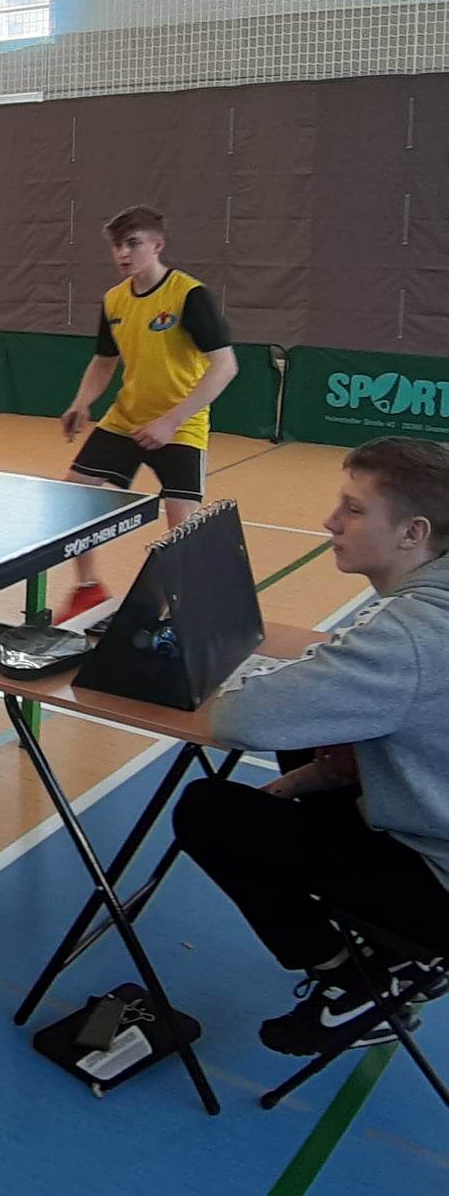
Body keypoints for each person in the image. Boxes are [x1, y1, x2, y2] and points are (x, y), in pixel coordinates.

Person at [171, 438, 449, 1057]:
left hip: (440, 886)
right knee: (314, 732)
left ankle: (354, 979)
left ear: (414, 533)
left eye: (353, 509)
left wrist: (248, 676)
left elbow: (240, 719)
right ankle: (398, 953)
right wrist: (309, 779)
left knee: (208, 811)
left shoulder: (410, 635)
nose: (330, 522)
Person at [56, 205, 239, 621]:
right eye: (117, 246)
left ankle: (175, 610)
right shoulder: (114, 300)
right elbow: (105, 361)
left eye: (133, 243)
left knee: (181, 525)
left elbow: (225, 365)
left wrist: (172, 420)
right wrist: (81, 402)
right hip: (126, 420)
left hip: (181, 425)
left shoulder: (190, 295)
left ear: (157, 245)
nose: (123, 253)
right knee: (73, 497)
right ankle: (87, 590)